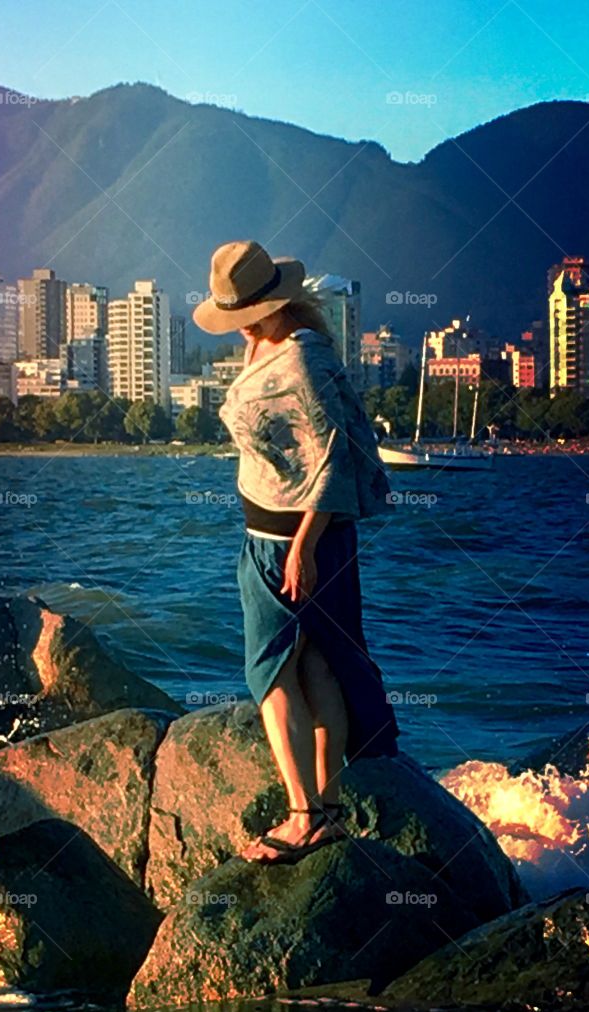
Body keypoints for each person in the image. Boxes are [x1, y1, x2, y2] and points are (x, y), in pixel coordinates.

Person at [193, 240, 400, 863]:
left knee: (271, 671)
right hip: (282, 537)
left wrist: (303, 547)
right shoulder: (268, 347)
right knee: (315, 665)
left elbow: (333, 459)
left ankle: (303, 814)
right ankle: (328, 813)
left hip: (292, 543)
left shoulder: (303, 361)